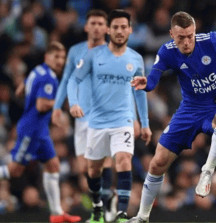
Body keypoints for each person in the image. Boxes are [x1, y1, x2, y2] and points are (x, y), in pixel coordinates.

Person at [128, 11, 216, 223]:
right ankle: (142, 217)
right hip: (189, 110)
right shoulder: (167, 51)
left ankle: (207, 171)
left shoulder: (211, 40)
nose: (186, 41)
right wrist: (147, 85)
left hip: (215, 106)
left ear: (195, 32)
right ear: (171, 34)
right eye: (181, 37)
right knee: (157, 163)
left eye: (190, 36)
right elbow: (153, 78)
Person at [69, 9, 151, 223]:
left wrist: (145, 123)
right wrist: (73, 103)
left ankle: (122, 214)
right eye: (115, 27)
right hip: (96, 122)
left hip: (122, 121)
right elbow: (72, 80)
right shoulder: (93, 55)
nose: (120, 31)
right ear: (108, 30)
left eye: (124, 27)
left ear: (130, 30)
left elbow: (139, 92)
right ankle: (97, 210)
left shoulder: (136, 59)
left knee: (124, 160)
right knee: (93, 170)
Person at [0, 41, 81, 223]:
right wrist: (61, 103)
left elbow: (21, 89)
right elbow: (41, 104)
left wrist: (28, 93)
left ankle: (57, 214)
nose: (60, 61)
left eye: (62, 57)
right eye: (56, 57)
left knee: (53, 165)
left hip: (40, 130)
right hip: (31, 130)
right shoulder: (49, 78)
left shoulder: (38, 70)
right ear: (47, 57)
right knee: (14, 171)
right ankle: (57, 213)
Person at [51, 9, 119, 222]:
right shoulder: (75, 51)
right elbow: (66, 80)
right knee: (85, 168)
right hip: (80, 117)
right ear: (86, 26)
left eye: (101, 23)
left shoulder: (113, 52)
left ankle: (104, 209)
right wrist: (57, 107)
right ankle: (109, 199)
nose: (97, 26)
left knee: (103, 162)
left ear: (107, 28)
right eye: (93, 23)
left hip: (104, 115)